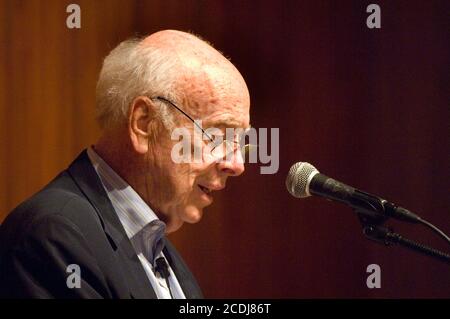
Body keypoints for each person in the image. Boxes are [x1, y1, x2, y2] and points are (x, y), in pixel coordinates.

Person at [0, 30, 251, 298]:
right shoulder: (52, 236)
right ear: (144, 124)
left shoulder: (157, 249)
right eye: (217, 136)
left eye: (241, 143)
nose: (236, 164)